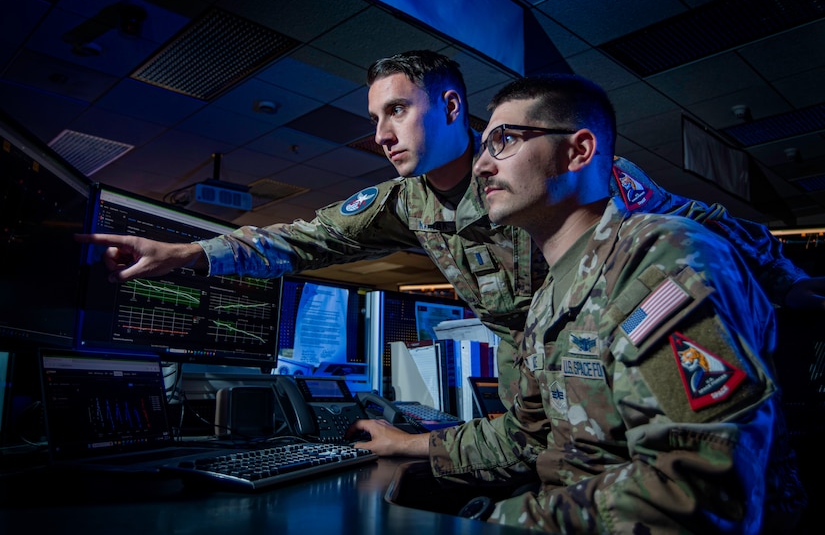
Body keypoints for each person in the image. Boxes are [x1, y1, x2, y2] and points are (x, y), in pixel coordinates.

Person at [75, 50, 818, 469]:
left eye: (397, 109)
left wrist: (797, 290)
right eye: (373, 118)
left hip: (631, 367)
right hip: (541, 394)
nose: (380, 132)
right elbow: (296, 239)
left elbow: (695, 228)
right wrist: (185, 252)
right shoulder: (404, 204)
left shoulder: (558, 171)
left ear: (455, 107)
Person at [349, 73, 803, 532]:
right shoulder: (549, 296)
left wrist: (494, 519)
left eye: (504, 140)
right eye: (483, 146)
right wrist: (409, 445)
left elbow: (699, 490)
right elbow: (527, 438)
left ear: (578, 151)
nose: (482, 165)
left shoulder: (657, 259)